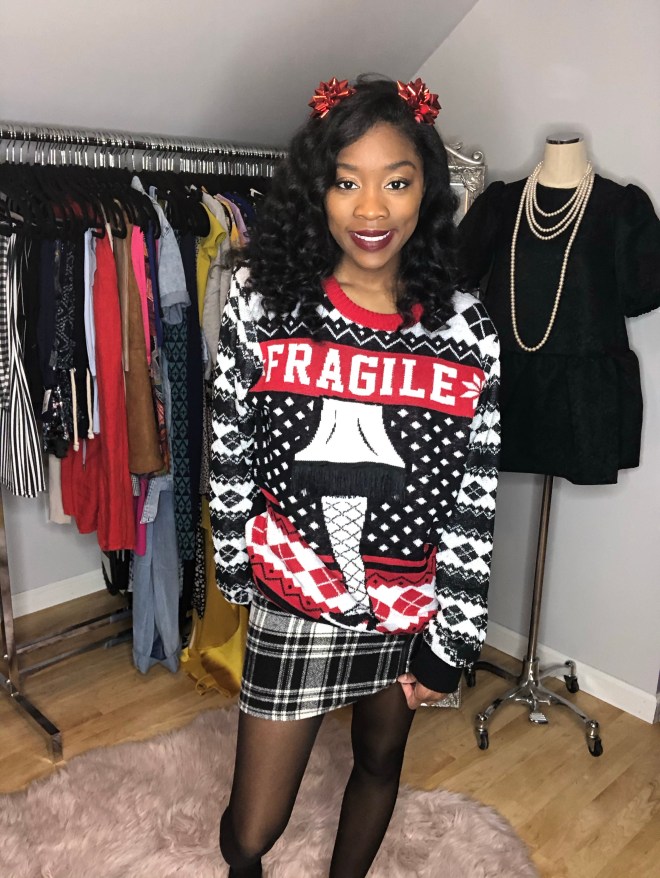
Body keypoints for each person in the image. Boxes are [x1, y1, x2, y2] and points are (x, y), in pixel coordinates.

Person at [210, 74, 500, 877]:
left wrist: (454, 636)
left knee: (378, 764)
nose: (372, 210)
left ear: (426, 191)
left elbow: (472, 497)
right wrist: (235, 563)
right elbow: (229, 442)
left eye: (396, 183)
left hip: (406, 607)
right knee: (250, 830)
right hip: (294, 596)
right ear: (318, 191)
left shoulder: (466, 328)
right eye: (347, 183)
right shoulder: (263, 304)